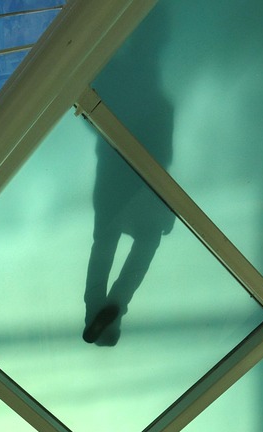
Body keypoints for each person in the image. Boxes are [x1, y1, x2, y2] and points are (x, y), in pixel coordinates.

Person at [82, 31, 175, 346]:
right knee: (133, 241)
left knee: (111, 242)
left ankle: (108, 308)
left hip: (118, 177)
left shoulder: (124, 82)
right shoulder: (152, 96)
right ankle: (103, 308)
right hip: (133, 181)